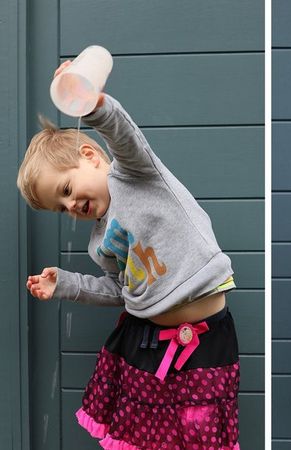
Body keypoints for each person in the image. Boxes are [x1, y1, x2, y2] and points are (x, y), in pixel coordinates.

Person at [17, 61, 240, 449]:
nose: (71, 204)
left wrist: (90, 104)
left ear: (90, 155)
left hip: (206, 341)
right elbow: (120, 291)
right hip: (146, 343)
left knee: (202, 433)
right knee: (148, 437)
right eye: (61, 206)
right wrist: (66, 284)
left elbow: (124, 135)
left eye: (67, 189)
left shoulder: (136, 174)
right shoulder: (98, 242)